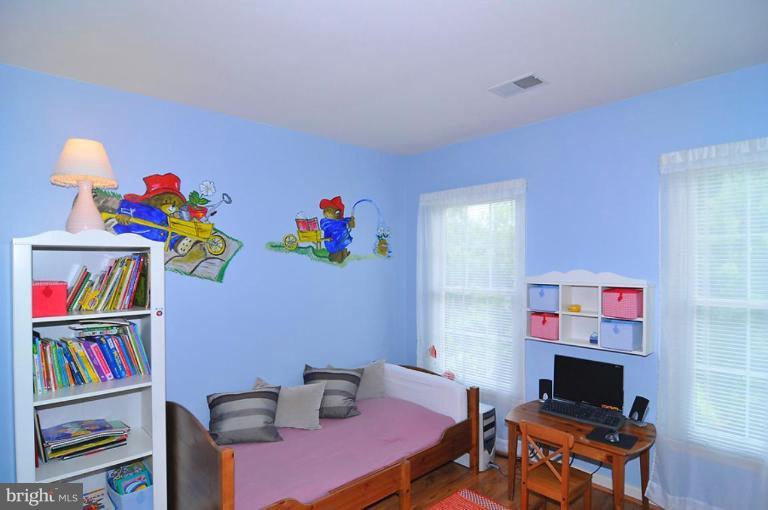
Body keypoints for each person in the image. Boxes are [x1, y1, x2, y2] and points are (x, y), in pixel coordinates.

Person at [319, 196, 355, 263]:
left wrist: (350, 221)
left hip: (339, 240)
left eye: (329, 212)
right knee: (336, 251)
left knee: (341, 247)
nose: (326, 215)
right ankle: (338, 257)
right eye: (325, 212)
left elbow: (344, 222)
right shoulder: (326, 222)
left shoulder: (339, 221)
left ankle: (343, 254)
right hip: (332, 241)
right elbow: (328, 226)